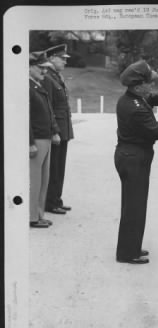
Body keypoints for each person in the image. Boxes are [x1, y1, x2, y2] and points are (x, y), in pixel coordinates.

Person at [115, 60, 158, 264]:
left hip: (130, 157)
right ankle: (128, 253)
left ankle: (131, 247)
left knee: (134, 205)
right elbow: (157, 132)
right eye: (148, 83)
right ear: (137, 85)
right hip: (134, 159)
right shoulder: (135, 108)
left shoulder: (131, 98)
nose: (152, 85)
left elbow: (148, 100)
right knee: (134, 207)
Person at [29, 52, 61, 228]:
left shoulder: (37, 86)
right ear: (29, 68)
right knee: (34, 180)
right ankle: (31, 216)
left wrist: (55, 131)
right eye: (40, 68)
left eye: (44, 68)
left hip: (45, 137)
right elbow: (25, 119)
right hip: (37, 140)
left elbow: (49, 111)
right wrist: (29, 142)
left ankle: (39, 214)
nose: (43, 71)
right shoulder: (27, 87)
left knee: (43, 179)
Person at [42, 44, 73, 215]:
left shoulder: (56, 76)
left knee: (60, 167)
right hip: (56, 130)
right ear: (52, 58)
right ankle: (51, 202)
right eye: (62, 59)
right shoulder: (48, 77)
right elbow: (49, 107)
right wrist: (54, 131)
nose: (65, 62)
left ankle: (57, 199)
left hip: (63, 129)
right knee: (54, 167)